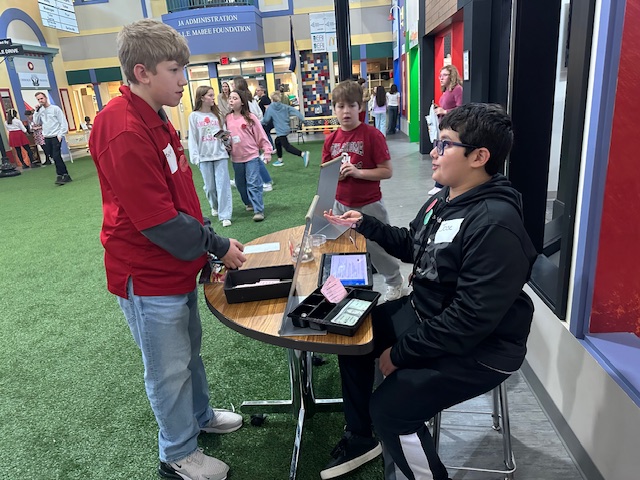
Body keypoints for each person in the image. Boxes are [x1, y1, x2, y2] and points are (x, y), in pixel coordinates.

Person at [320, 103, 537, 480]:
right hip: (428, 316)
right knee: (351, 336)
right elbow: (414, 245)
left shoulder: (494, 225)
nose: (434, 151)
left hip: (482, 348)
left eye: (445, 144)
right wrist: (366, 224)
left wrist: (400, 353)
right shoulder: (444, 198)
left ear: (479, 157)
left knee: (390, 410)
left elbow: (469, 321)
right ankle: (360, 437)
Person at [88, 19, 247, 480]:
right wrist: (216, 244)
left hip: (174, 267)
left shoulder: (154, 115)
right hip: (147, 273)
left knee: (187, 355)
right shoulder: (121, 127)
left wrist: (206, 242)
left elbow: (178, 195)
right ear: (142, 72)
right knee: (168, 369)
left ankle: (198, 419)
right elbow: (157, 221)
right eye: (175, 70)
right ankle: (177, 454)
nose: (183, 81)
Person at [322, 80, 403, 302]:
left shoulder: (372, 135)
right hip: (340, 204)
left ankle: (395, 282)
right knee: (343, 248)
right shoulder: (331, 140)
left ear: (360, 107)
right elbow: (326, 172)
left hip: (369, 204)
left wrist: (358, 173)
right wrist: (335, 176)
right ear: (334, 109)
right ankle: (345, 287)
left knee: (378, 247)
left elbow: (386, 171)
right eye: (340, 106)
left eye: (351, 105)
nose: (346, 111)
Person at [188, 85, 233, 227]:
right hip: (204, 157)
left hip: (220, 154)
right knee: (210, 187)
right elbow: (192, 137)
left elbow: (224, 133)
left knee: (223, 185)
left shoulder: (217, 115)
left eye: (213, 95)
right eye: (210, 95)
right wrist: (195, 157)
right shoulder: (194, 116)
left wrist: (226, 139)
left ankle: (225, 215)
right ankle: (215, 206)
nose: (213, 98)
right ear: (202, 98)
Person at [225, 89, 273, 222]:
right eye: (230, 98)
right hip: (236, 158)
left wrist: (267, 151)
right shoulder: (227, 118)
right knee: (240, 184)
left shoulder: (250, 117)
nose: (231, 100)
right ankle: (249, 202)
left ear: (242, 102)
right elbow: (227, 137)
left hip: (252, 156)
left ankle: (259, 210)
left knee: (253, 183)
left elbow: (261, 135)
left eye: (235, 98)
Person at [232, 76, 274, 191]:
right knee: (249, 158)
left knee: (255, 158)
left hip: (249, 133)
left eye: (233, 84)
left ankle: (266, 181)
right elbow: (259, 114)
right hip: (250, 132)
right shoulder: (250, 98)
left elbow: (254, 115)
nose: (232, 86)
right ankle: (242, 179)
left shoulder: (246, 100)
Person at [431, 65, 464, 195]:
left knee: (443, 154)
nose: (441, 78)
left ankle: (440, 184)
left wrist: (445, 111)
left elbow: (461, 108)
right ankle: (440, 183)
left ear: (452, 76)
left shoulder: (457, 89)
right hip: (444, 127)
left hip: (452, 129)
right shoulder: (446, 91)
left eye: (444, 75)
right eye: (440, 76)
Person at [262, 91, 310, 168]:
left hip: (280, 130)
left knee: (287, 147)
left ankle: (303, 154)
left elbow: (266, 120)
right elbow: (296, 112)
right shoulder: (284, 106)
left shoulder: (271, 108)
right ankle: (280, 160)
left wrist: (259, 122)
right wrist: (303, 120)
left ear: (272, 99)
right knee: (277, 141)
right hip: (287, 128)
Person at [33, 91, 71, 185]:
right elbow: (36, 122)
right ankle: (64, 174)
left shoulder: (55, 109)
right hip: (47, 136)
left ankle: (61, 174)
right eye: (38, 99)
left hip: (56, 136)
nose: (40, 100)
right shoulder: (40, 111)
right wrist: (36, 111)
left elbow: (63, 122)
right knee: (53, 156)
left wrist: (60, 134)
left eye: (41, 98)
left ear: (45, 98)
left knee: (56, 155)